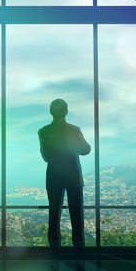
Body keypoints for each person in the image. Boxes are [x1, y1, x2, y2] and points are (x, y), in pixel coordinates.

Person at [38, 99, 91, 254]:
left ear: (51, 112)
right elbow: (85, 150)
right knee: (76, 213)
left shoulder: (43, 131)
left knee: (54, 213)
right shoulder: (74, 130)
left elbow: (45, 156)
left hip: (53, 176)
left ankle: (54, 249)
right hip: (73, 176)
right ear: (66, 111)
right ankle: (79, 249)